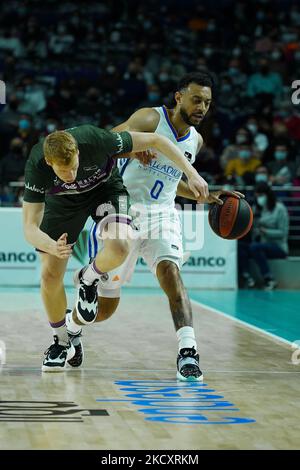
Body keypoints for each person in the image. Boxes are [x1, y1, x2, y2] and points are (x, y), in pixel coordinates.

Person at [66, 72, 243, 381]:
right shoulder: (149, 118)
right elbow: (101, 144)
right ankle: (72, 327)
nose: (202, 107)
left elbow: (174, 183)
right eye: (197, 99)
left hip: (162, 215)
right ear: (179, 97)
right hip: (122, 212)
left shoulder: (195, 140)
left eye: (208, 103)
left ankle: (188, 352)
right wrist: (132, 147)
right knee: (105, 311)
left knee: (172, 275)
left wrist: (209, 196)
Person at [22, 124, 208, 372]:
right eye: (64, 171)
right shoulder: (36, 166)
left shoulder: (96, 139)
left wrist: (192, 174)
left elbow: (156, 140)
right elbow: (29, 227)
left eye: (75, 167)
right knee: (49, 274)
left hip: (106, 191)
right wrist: (51, 246)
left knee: (121, 245)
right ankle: (61, 341)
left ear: (78, 151)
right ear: (49, 162)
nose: (72, 175)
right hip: (64, 203)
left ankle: (88, 278)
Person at [238, 182, 289, 290]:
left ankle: (269, 279)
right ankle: (247, 277)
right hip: (259, 245)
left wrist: (265, 231)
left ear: (267, 195)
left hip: (278, 246)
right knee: (241, 246)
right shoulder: (256, 209)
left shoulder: (280, 209)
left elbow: (283, 233)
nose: (259, 199)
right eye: (257, 196)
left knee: (254, 247)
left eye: (261, 196)